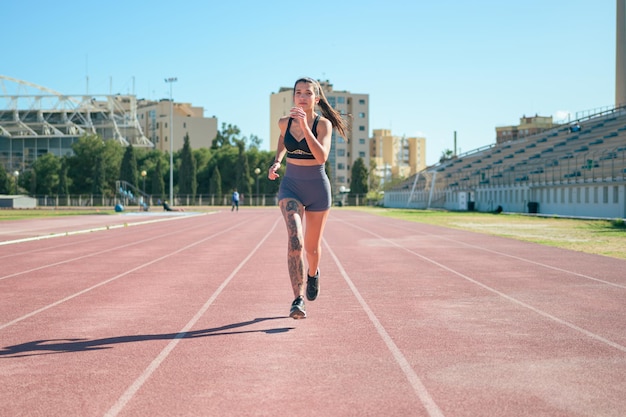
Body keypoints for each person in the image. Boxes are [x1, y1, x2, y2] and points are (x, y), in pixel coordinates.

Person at [268, 77, 348, 319]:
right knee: (296, 241)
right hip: (291, 185)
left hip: (317, 188)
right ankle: (298, 299)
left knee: (312, 249)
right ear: (294, 97)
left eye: (307, 93)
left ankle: (313, 273)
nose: (302, 97)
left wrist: (304, 127)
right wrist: (277, 161)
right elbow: (283, 140)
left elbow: (322, 156)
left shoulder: (323, 125)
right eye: (298, 93)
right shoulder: (284, 122)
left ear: (317, 98)